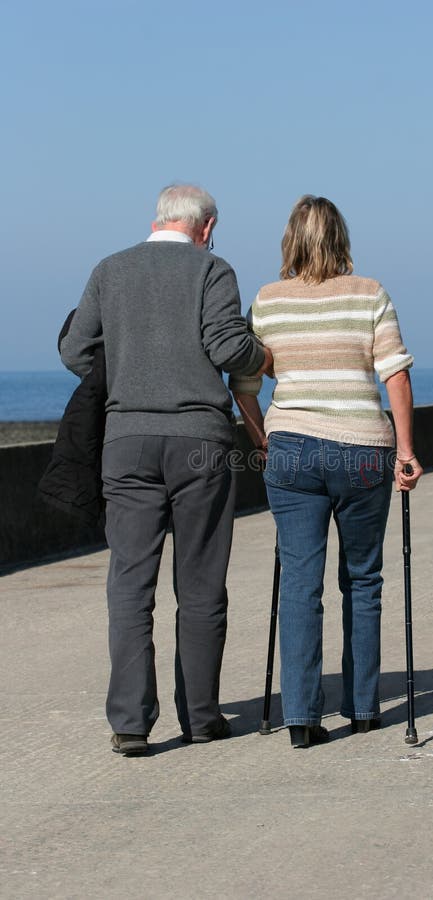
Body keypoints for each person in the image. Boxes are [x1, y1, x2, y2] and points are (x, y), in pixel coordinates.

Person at [60, 184, 272, 755]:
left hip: (126, 443)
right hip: (199, 443)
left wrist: (127, 373)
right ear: (204, 227)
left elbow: (76, 351)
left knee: (130, 584)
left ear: (158, 220)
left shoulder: (110, 270)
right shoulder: (212, 270)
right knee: (200, 583)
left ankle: (130, 723)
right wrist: (265, 356)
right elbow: (228, 346)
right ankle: (201, 717)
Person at [230, 195, 422, 748]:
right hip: (362, 449)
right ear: (341, 239)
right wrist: (405, 452)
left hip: (291, 449)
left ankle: (302, 720)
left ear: (290, 240)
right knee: (363, 579)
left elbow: (242, 386)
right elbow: (397, 377)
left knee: (299, 582)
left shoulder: (268, 301)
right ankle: (363, 709)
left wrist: (263, 440)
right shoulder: (369, 294)